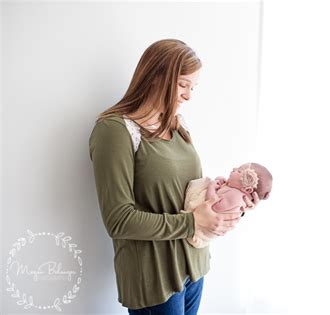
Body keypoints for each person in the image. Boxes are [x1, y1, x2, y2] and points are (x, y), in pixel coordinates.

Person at [88, 39, 260, 315]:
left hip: (195, 268)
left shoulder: (177, 126)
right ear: (156, 76)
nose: (189, 95)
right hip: (155, 277)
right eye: (182, 84)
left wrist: (232, 202)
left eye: (193, 87)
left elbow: (187, 193)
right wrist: (192, 221)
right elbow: (118, 220)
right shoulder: (115, 131)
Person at [181, 162, 272, 248]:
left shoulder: (235, 197)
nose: (234, 168)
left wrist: (212, 187)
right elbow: (222, 190)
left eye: (239, 170)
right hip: (198, 225)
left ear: (247, 189)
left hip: (199, 231)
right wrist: (219, 180)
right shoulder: (234, 189)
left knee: (204, 183)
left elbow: (214, 204)